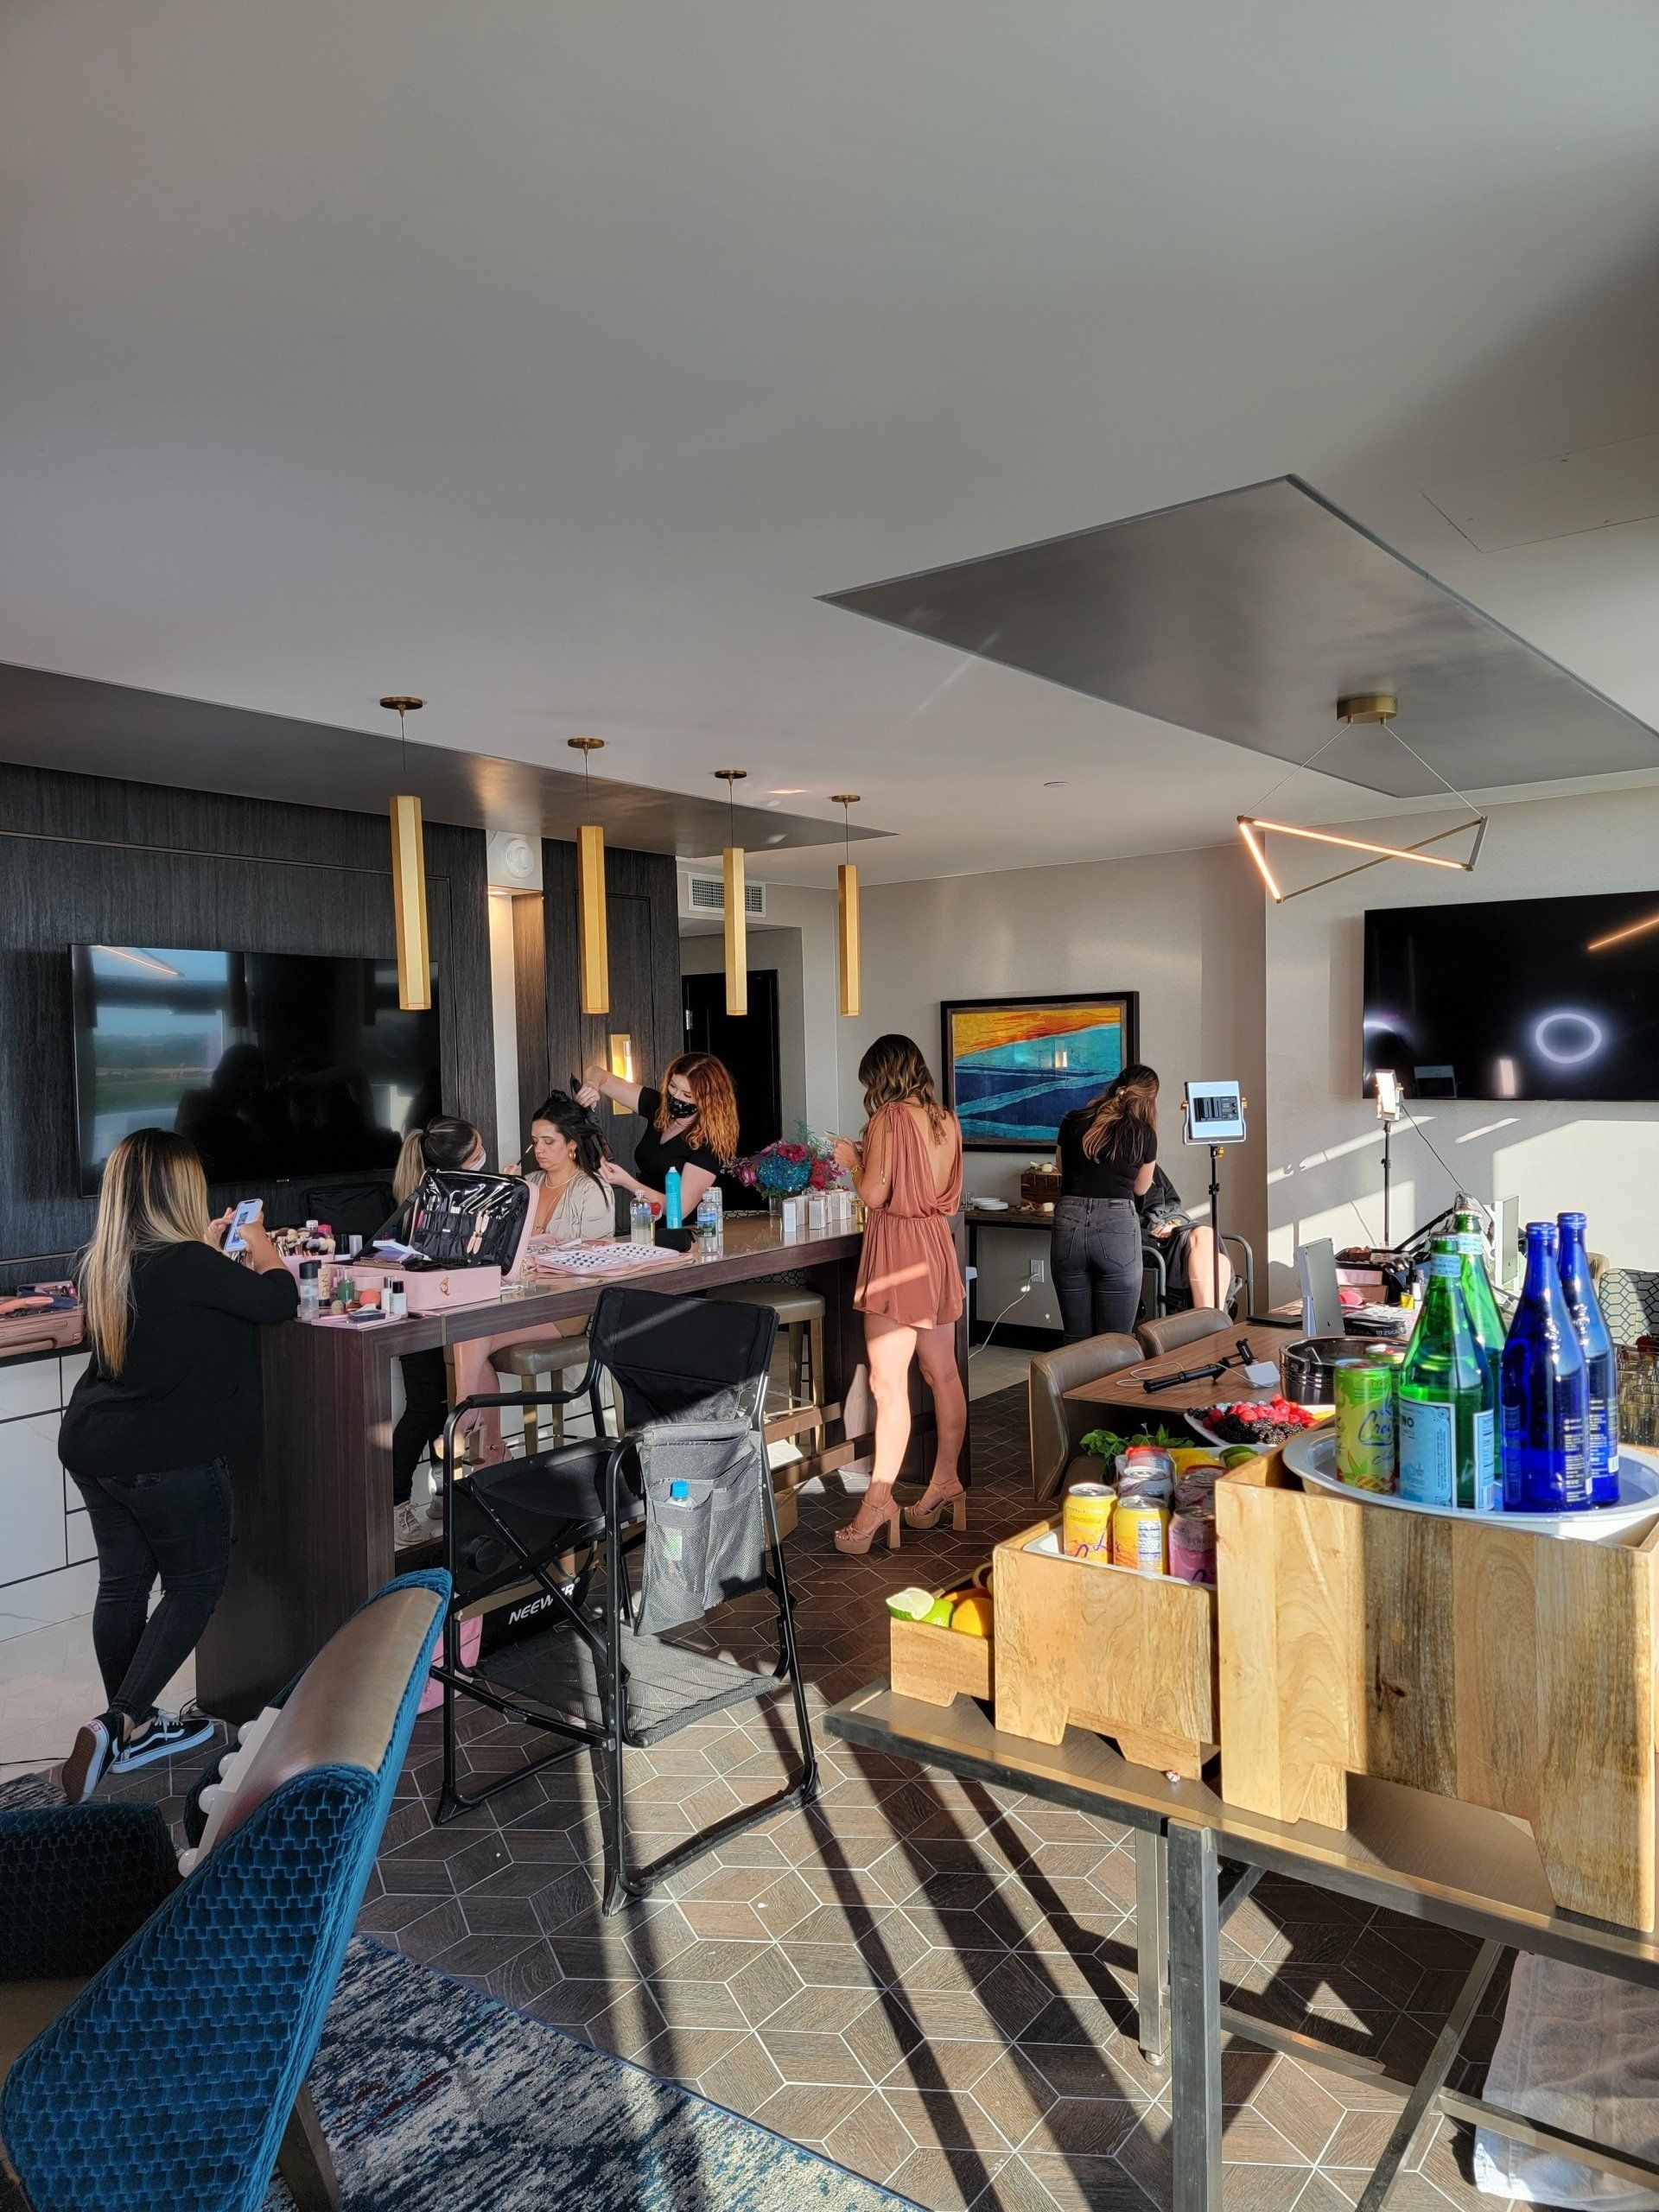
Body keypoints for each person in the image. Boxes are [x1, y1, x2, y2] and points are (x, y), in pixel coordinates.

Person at [58, 1128, 298, 1802]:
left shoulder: (108, 1260)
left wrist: (214, 1250)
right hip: (162, 1456)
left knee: (124, 1584)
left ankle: (131, 1732)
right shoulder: (189, 1263)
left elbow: (182, 1312)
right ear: (177, 1192)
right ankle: (120, 1720)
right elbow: (278, 1302)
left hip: (92, 1446)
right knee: (196, 1582)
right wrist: (264, 1251)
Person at [830, 1034, 966, 1554]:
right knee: (943, 1373)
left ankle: (878, 1500)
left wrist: (850, 1158)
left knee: (890, 1388)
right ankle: (944, 1482)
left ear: (882, 1076)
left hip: (896, 1254)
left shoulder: (887, 1118)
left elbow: (874, 1193)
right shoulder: (945, 1120)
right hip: (935, 1247)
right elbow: (937, 1191)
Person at [386, 1116, 492, 1546]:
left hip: (444, 1309)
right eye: (478, 1151)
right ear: (460, 1163)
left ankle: (441, 1494)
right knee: (426, 1408)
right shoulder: (425, 1207)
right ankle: (393, 1508)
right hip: (417, 1313)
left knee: (444, 1404)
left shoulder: (452, 1197)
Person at [1051, 1063, 1161, 1342]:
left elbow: (1061, 1168)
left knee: (1075, 1338)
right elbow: (1141, 1187)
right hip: (1117, 1228)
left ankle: (1074, 1387)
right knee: (1116, 1342)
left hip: (1068, 1223)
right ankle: (1108, 1388)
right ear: (1149, 1098)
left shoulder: (1073, 1120)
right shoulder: (1144, 1133)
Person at [575, 1052, 737, 1219]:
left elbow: (680, 1209)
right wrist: (592, 1086)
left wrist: (627, 1182)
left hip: (686, 1234)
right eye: (673, 1086)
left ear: (708, 1099)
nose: (675, 1097)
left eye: (687, 1095)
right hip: (646, 1221)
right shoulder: (659, 1107)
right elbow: (597, 1072)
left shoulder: (709, 1144)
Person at [1139, 1160, 1233, 1313]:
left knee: (1219, 1259)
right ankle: (1210, 1325)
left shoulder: (1152, 1168)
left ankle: (1207, 1323)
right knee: (1218, 1260)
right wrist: (1152, 1233)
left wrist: (1174, 1223)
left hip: (1173, 1234)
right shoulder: (1117, 1173)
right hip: (1149, 1246)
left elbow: (1173, 1204)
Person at [514, 1096, 614, 1241]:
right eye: (535, 1142)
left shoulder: (592, 1190)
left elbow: (596, 1253)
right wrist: (508, 1189)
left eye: (548, 1142)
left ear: (572, 1143)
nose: (539, 1149)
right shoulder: (528, 1184)